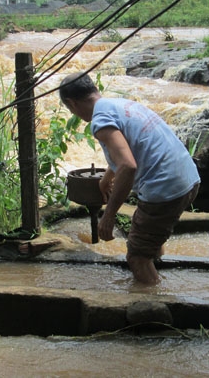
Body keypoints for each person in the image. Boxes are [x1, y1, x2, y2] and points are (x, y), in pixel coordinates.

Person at [59, 71, 200, 284]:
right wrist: (107, 178)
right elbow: (129, 150)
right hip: (188, 178)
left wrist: (109, 215)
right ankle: (155, 271)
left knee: (137, 257)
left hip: (164, 186)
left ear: (72, 103)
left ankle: (156, 304)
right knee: (149, 237)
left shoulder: (100, 120)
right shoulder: (119, 104)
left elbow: (128, 165)